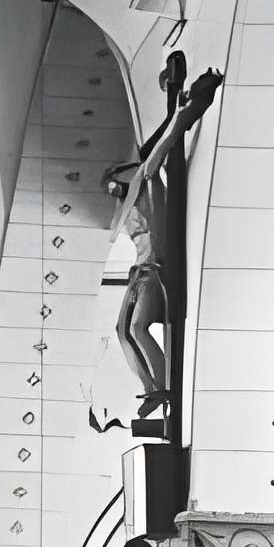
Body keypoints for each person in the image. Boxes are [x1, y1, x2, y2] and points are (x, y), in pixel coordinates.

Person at [102, 64, 222, 421]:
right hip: (139, 272)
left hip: (153, 269)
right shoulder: (128, 202)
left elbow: (168, 139)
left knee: (136, 328)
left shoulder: (146, 179)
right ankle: (153, 386)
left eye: (112, 179)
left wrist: (193, 106)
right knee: (122, 330)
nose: (110, 185)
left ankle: (161, 387)